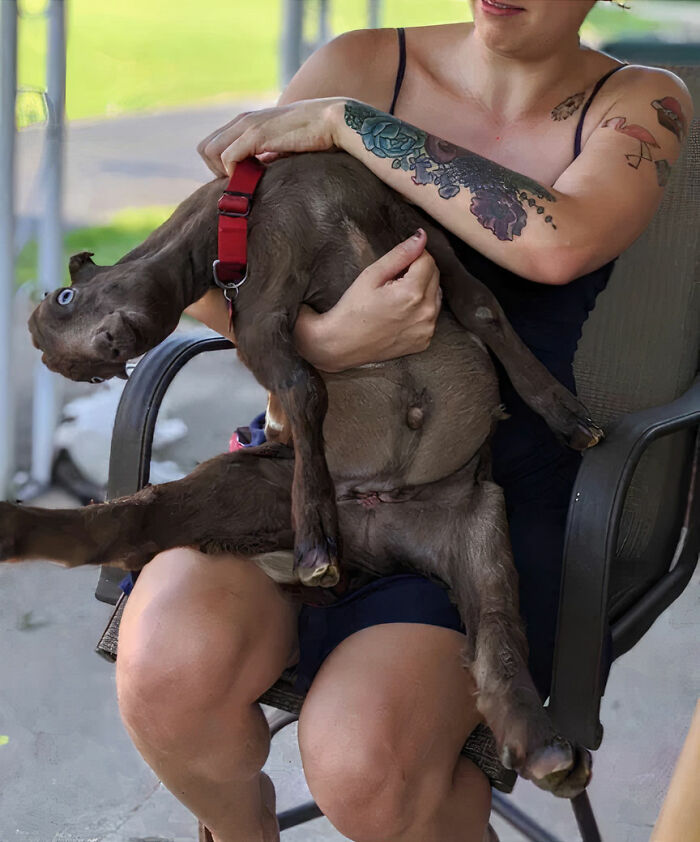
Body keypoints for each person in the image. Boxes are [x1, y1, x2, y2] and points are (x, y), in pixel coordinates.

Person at [115, 2, 692, 841]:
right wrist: (323, 341)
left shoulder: (639, 102)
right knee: (165, 667)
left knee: (364, 763)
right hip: (307, 469)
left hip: (478, 506)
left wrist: (351, 129)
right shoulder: (360, 61)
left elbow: (559, 242)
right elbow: (187, 270)